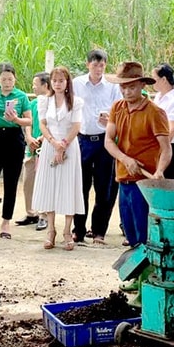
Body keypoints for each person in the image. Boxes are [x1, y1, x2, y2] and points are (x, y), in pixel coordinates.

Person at [103, 62, 171, 249]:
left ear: (142, 85)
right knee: (130, 232)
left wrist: (159, 171)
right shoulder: (117, 107)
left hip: (144, 181)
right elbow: (108, 140)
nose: (126, 92)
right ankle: (138, 273)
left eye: (131, 87)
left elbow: (166, 148)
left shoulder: (155, 112)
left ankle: (148, 271)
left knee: (145, 233)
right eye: (122, 87)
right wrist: (125, 159)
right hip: (124, 177)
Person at [72, 49, 122, 245]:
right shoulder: (76, 84)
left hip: (104, 140)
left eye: (102, 65)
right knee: (80, 187)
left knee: (104, 188)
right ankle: (79, 230)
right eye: (95, 64)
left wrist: (110, 119)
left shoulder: (111, 86)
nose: (98, 68)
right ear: (87, 65)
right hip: (82, 139)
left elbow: (119, 109)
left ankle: (99, 231)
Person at [33, 66, 84, 250]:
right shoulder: (44, 100)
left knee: (68, 187)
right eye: (54, 80)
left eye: (61, 80)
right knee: (49, 186)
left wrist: (63, 144)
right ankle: (51, 230)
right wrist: (54, 143)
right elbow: (42, 124)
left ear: (67, 82)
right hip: (49, 145)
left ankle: (67, 231)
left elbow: (76, 125)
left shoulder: (76, 101)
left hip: (69, 146)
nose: (58, 84)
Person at [0, 62, 32, 239]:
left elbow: (29, 121)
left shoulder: (21, 96)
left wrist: (17, 119)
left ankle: (6, 222)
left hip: (13, 138)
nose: (7, 82)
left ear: (15, 79)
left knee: (11, 182)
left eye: (10, 79)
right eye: (3, 79)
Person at [16, 72, 51, 230]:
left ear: (45, 85)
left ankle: (44, 215)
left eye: (35, 84)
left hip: (47, 146)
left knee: (45, 182)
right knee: (28, 180)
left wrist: (43, 138)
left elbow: (53, 124)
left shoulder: (54, 103)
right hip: (31, 148)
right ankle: (31, 213)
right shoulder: (33, 103)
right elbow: (28, 121)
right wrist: (29, 137)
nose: (33, 87)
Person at [151, 63, 174, 180]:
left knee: (165, 182)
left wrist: (162, 149)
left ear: (164, 79)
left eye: (154, 79)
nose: (152, 82)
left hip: (170, 145)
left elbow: (172, 129)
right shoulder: (158, 96)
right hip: (155, 144)